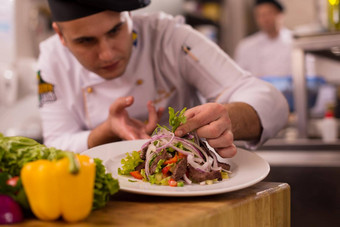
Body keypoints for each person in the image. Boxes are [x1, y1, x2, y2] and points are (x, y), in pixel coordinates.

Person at [38, 0, 289, 156]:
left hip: (185, 189)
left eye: (115, 30)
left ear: (129, 16)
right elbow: (55, 145)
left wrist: (227, 118)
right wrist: (106, 131)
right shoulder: (52, 59)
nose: (107, 53)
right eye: (85, 41)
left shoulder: (169, 37)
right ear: (60, 35)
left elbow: (273, 102)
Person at [234, 0, 292, 77]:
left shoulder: (295, 42)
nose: (265, 19)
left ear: (280, 14)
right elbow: (239, 76)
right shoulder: (246, 45)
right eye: (260, 15)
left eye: (269, 13)